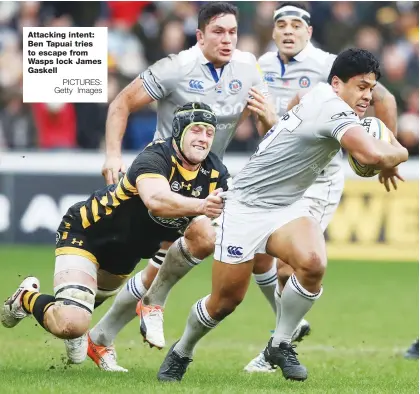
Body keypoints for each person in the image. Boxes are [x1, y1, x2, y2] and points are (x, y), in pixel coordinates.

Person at [156, 48, 408, 383]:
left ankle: (280, 343)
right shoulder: (333, 110)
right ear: (336, 84)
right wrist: (400, 152)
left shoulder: (318, 93)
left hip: (289, 204)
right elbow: (369, 153)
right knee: (225, 301)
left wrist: (281, 130)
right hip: (247, 204)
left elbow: (302, 101)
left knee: (313, 263)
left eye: (370, 89)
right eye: (360, 87)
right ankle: (182, 350)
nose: (366, 96)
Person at [85, 1, 281, 369]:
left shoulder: (247, 68)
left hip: (207, 181)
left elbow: (268, 133)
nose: (227, 39)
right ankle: (122, 312)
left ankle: (101, 335)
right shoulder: (176, 68)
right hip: (160, 178)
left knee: (170, 259)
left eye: (233, 32)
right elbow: (122, 103)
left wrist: (270, 120)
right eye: (218, 32)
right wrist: (112, 155)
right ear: (201, 35)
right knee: (121, 272)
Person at [0, 102, 228, 372]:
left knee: (205, 234)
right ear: (179, 131)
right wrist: (202, 206)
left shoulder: (215, 172)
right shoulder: (156, 157)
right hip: (87, 234)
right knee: (71, 323)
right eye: (196, 130)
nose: (203, 138)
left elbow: (227, 218)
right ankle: (26, 298)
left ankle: (97, 325)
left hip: (126, 254)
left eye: (209, 133)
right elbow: (156, 200)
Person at [244, 2, 399, 373]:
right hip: (278, 171)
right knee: (258, 259)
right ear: (273, 30)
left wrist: (385, 151)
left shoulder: (333, 67)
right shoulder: (259, 66)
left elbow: (387, 100)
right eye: (281, 24)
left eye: (296, 25)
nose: (288, 31)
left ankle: (275, 347)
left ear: (309, 32)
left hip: (318, 178)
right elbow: (284, 123)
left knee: (289, 267)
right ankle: (290, 324)